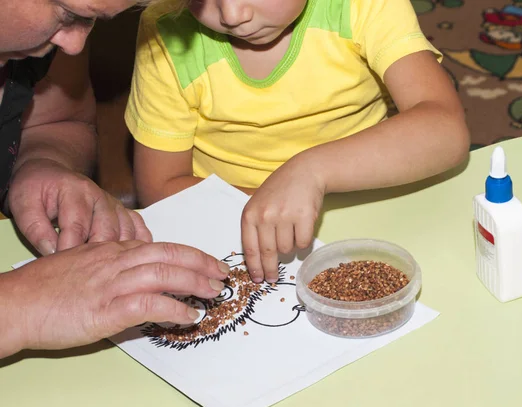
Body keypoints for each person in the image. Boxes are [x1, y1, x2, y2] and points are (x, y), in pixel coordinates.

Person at [127, 0, 470, 284]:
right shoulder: (165, 29)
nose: (232, 15)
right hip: (232, 224)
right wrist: (272, 207)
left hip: (368, 206)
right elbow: (159, 188)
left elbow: (446, 129)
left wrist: (312, 171)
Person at [0, 0, 229, 359]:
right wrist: (17, 306)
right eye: (68, 13)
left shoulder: (48, 42)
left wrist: (40, 162)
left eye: (92, 20)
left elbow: (55, 123)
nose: (76, 44)